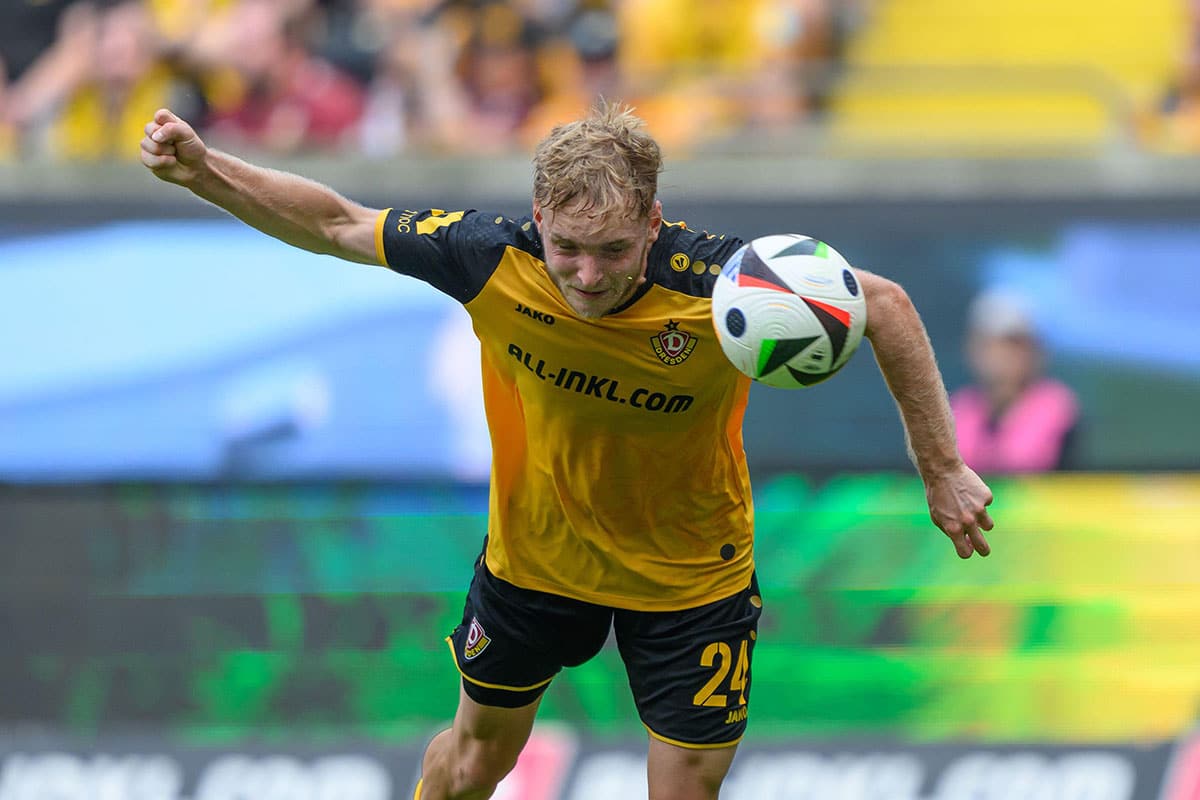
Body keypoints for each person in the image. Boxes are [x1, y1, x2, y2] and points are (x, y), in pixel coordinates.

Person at [140, 100, 995, 800]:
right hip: (536, 564)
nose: (588, 275)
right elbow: (336, 222)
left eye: (616, 251)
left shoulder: (726, 282)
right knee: (475, 763)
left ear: (654, 224)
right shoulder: (483, 255)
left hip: (691, 575)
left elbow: (883, 304)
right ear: (539, 218)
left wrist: (943, 467)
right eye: (568, 249)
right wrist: (206, 171)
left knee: (688, 788)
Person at [951, 290, 1080, 473]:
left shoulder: (1057, 407)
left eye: (1013, 344)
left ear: (1035, 351)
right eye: (989, 343)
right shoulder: (959, 407)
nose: (999, 354)